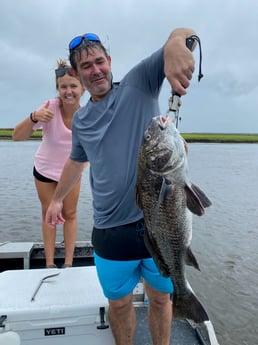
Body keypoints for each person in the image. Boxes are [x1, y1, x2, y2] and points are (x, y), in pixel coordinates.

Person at [46, 28, 197, 344]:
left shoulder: (138, 83)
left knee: (160, 299)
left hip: (157, 224)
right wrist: (57, 199)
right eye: (86, 66)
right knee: (118, 303)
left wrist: (177, 47)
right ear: (76, 73)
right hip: (111, 232)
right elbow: (76, 161)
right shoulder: (83, 120)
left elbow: (182, 35)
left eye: (99, 62)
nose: (95, 70)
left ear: (109, 60)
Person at [12, 59, 85, 268]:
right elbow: (17, 136)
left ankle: (69, 263)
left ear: (83, 88)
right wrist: (34, 117)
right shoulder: (49, 108)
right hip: (44, 170)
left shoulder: (86, 115)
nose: (68, 91)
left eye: (73, 86)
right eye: (63, 87)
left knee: (70, 214)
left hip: (71, 173)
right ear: (57, 89)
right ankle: (50, 263)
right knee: (48, 213)